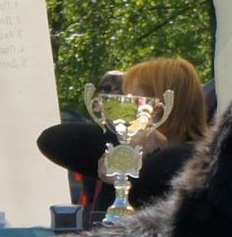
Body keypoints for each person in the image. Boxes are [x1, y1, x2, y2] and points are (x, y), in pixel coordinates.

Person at [36, 57, 208, 217]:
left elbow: (160, 173)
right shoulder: (123, 144)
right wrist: (125, 146)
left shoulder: (199, 160)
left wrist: (130, 163)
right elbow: (52, 140)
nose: (122, 106)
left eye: (131, 100)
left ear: (157, 109)